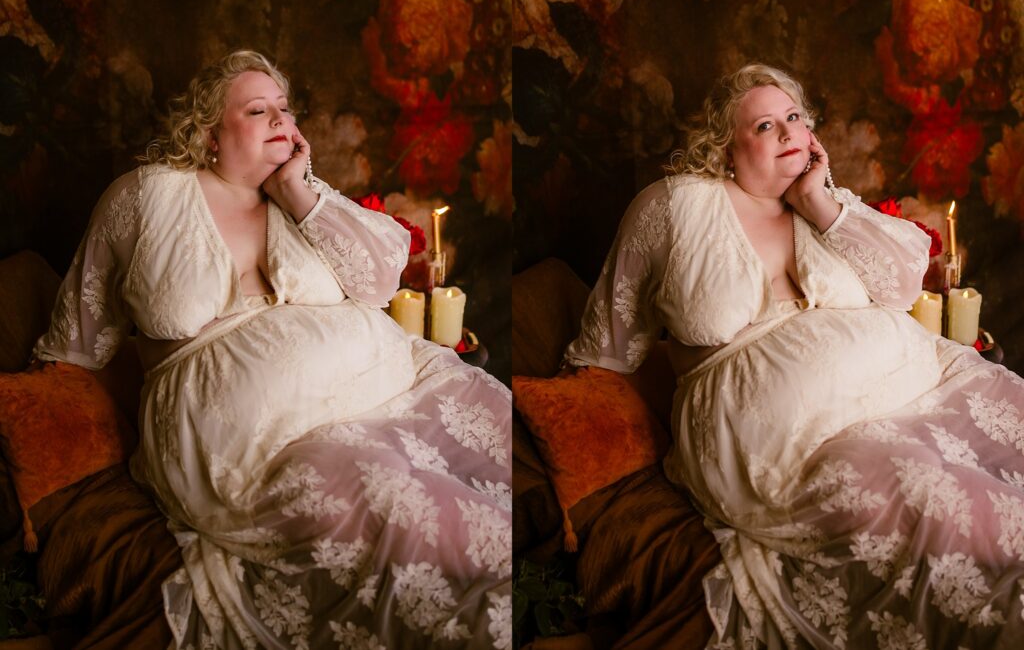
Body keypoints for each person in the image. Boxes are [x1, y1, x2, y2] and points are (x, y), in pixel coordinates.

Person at [34, 50, 511, 649]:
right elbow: (79, 330)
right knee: (389, 497)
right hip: (258, 446)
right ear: (209, 133)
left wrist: (298, 191)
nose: (281, 120)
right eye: (258, 110)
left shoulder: (301, 197)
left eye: (285, 109)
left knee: (499, 432)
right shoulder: (146, 197)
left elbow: (380, 281)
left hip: (394, 388)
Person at [565, 63, 1024, 648]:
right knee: (928, 500)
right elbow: (609, 339)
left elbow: (908, 283)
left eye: (795, 118)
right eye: (764, 124)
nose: (787, 132)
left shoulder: (828, 205)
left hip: (920, 386)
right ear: (725, 147)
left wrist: (817, 201)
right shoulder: (675, 207)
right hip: (790, 442)